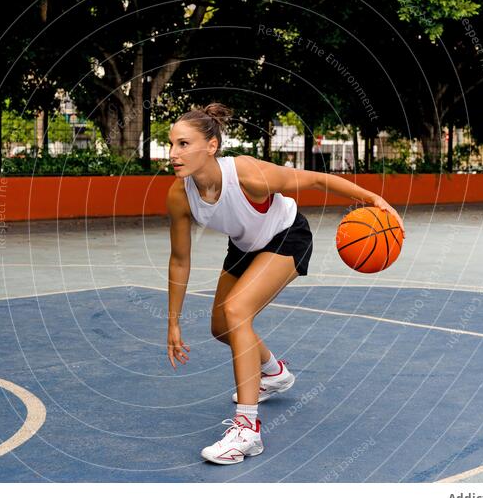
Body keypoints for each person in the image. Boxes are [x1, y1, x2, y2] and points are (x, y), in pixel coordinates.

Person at [165, 102, 405, 465]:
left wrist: (373, 199)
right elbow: (180, 259)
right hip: (246, 245)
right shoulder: (180, 195)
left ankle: (247, 431)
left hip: (286, 236)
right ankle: (275, 373)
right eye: (171, 144)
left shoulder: (247, 173)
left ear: (211, 146)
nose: (173, 154)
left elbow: (316, 180)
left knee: (236, 311)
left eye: (183, 144)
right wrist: (173, 320)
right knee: (220, 327)